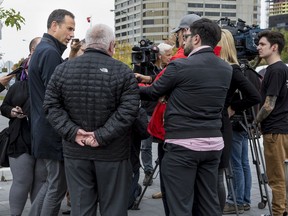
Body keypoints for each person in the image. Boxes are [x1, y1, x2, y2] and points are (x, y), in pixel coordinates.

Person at [43, 23, 139, 216]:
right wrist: (100, 136)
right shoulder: (124, 72)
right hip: (113, 154)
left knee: (81, 208)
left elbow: (51, 106)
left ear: (87, 44)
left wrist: (73, 131)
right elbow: (129, 110)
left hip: (76, 152)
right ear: (111, 45)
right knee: (113, 208)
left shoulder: (62, 70)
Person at [140, 18, 233, 216]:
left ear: (196, 38)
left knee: (179, 206)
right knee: (208, 205)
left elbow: (152, 92)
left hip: (182, 146)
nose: (183, 41)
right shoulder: (226, 69)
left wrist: (130, 85)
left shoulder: (180, 66)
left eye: (187, 37)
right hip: (213, 144)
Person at [28, 9, 75, 216]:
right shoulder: (49, 53)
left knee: (51, 184)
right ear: (54, 26)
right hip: (52, 132)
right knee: (56, 187)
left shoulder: (45, 50)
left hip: (44, 130)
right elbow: (55, 96)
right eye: (69, 28)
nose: (72, 34)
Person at [213, 29, 261, 214]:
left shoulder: (230, 69)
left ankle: (236, 201)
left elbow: (254, 96)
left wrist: (232, 108)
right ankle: (241, 200)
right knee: (240, 163)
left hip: (225, 124)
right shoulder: (232, 68)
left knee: (230, 167)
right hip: (226, 123)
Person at [0, 37, 46, 216]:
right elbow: (4, 107)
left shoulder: (51, 80)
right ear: (32, 52)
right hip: (20, 138)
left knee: (41, 182)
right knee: (22, 181)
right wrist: (12, 111)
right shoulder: (18, 84)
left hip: (43, 138)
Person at [256, 30, 288, 216]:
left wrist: (255, 121)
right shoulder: (284, 68)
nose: (258, 47)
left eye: (262, 44)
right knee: (284, 176)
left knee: (276, 178)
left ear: (274, 47)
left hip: (275, 130)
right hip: (284, 127)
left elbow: (269, 105)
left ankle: (277, 213)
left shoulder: (274, 70)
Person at [135, 42, 173, 187]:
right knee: (146, 145)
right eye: (168, 54)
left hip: (163, 111)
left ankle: (165, 174)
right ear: (159, 55)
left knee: (164, 144)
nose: (170, 57)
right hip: (148, 110)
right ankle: (148, 172)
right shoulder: (144, 65)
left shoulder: (170, 68)